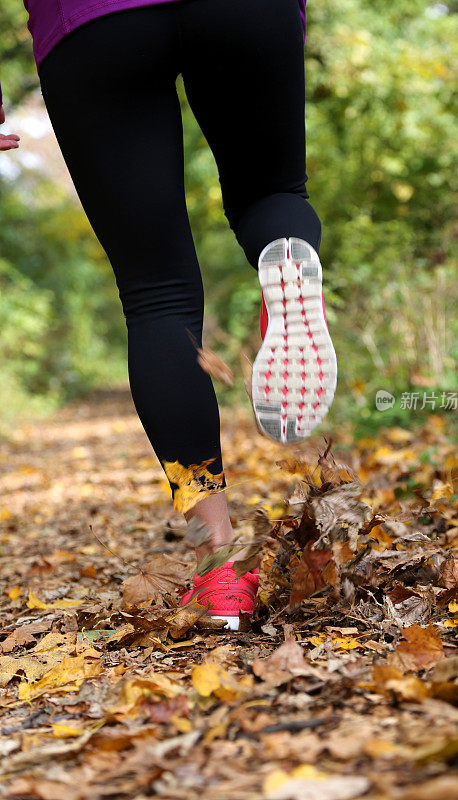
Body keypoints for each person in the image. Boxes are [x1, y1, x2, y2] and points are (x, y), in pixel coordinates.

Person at [0, 0, 337, 629]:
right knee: (274, 193)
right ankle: (286, 259)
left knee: (157, 292)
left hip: (90, 25)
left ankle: (223, 563)